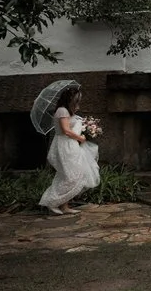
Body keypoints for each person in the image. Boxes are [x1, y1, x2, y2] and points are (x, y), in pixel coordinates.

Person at [39, 86, 100, 215]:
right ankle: (51, 202)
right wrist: (81, 138)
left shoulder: (66, 111)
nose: (78, 102)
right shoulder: (62, 111)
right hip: (65, 145)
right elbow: (66, 131)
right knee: (71, 176)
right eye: (76, 99)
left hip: (71, 145)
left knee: (69, 175)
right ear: (70, 99)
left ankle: (64, 206)